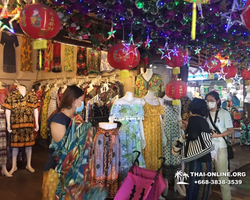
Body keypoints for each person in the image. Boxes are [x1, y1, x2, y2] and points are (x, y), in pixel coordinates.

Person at [42, 85, 107, 199]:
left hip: (73, 175)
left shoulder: (75, 118)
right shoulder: (59, 120)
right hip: (58, 172)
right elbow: (63, 149)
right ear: (73, 100)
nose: (84, 104)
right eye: (81, 101)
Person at [174, 98, 213, 200]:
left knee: (194, 183)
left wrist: (184, 135)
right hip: (206, 157)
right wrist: (187, 128)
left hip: (197, 158)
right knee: (203, 185)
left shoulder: (193, 119)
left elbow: (193, 136)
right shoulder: (203, 120)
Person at [205, 91, 234, 200]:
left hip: (221, 147)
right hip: (207, 147)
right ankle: (207, 195)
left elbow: (231, 130)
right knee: (207, 175)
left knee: (222, 176)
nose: (209, 103)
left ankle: (227, 198)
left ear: (217, 101)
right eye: (207, 101)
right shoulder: (205, 114)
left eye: (211, 101)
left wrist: (218, 135)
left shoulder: (224, 113)